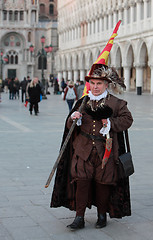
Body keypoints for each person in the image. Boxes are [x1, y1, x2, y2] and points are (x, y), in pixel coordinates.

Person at [50, 20, 133, 230]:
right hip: (82, 149)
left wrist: (111, 123)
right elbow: (69, 126)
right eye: (93, 83)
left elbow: (127, 120)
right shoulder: (82, 101)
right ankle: (79, 217)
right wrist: (73, 118)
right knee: (81, 181)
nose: (95, 87)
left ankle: (102, 215)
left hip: (106, 151)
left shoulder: (117, 103)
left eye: (99, 84)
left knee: (103, 183)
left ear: (106, 84)